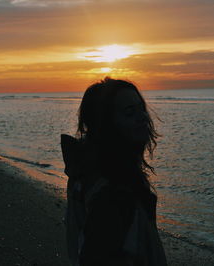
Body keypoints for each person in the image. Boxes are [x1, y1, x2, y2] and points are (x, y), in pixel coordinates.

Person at [61, 77, 167, 266]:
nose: (143, 116)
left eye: (141, 108)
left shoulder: (87, 168)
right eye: (129, 112)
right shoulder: (113, 191)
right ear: (106, 124)